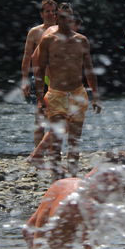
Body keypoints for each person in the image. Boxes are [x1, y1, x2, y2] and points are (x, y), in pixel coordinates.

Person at [20, 151, 125, 249]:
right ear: (112, 177)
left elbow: (28, 231)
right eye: (124, 187)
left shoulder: (62, 184)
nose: (122, 195)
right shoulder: (90, 207)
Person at [30, 3, 101, 182]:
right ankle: (56, 179)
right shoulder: (48, 40)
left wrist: (96, 96)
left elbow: (89, 69)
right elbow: (39, 70)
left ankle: (73, 177)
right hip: (56, 94)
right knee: (57, 140)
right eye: (63, 17)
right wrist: (40, 97)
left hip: (77, 94)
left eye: (70, 17)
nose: (67, 21)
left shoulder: (81, 40)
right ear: (56, 18)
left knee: (75, 141)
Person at [27, 10, 84, 171]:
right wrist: (50, 79)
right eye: (75, 30)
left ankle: (46, 158)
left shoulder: (52, 33)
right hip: (51, 83)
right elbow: (36, 57)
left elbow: (34, 57)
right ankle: (37, 155)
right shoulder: (54, 34)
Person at [21, 0, 57, 147]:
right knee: (40, 119)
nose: (51, 14)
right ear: (41, 14)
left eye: (53, 11)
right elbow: (27, 57)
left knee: (57, 118)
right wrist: (24, 81)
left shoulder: (61, 30)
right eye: (48, 11)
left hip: (57, 80)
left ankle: (53, 153)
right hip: (40, 79)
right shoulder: (35, 32)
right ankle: (38, 153)